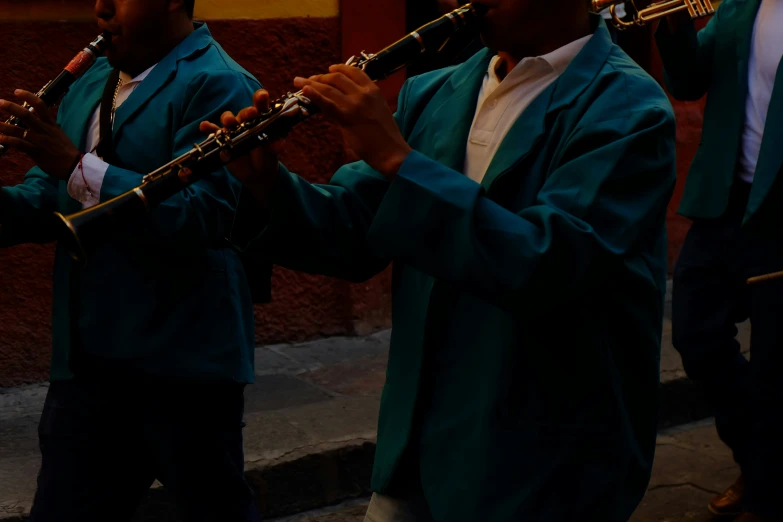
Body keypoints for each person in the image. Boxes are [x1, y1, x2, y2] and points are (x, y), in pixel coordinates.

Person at [205, 0, 677, 519]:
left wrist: (396, 159)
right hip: (419, 443)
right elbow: (357, 232)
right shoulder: (433, 90)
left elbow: (547, 262)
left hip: (542, 457)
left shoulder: (631, 108)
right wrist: (267, 184)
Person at [0, 0, 262, 520]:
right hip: (88, 361)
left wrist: (73, 162)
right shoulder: (91, 79)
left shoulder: (218, 83)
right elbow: (51, 195)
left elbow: (207, 214)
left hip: (182, 363)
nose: (100, 8)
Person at [656, 0, 783, 520]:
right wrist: (670, 18)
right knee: (696, 334)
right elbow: (687, 81)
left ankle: (767, 485)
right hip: (725, 202)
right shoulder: (738, 7)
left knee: (777, 366)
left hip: (780, 208)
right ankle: (763, 462)